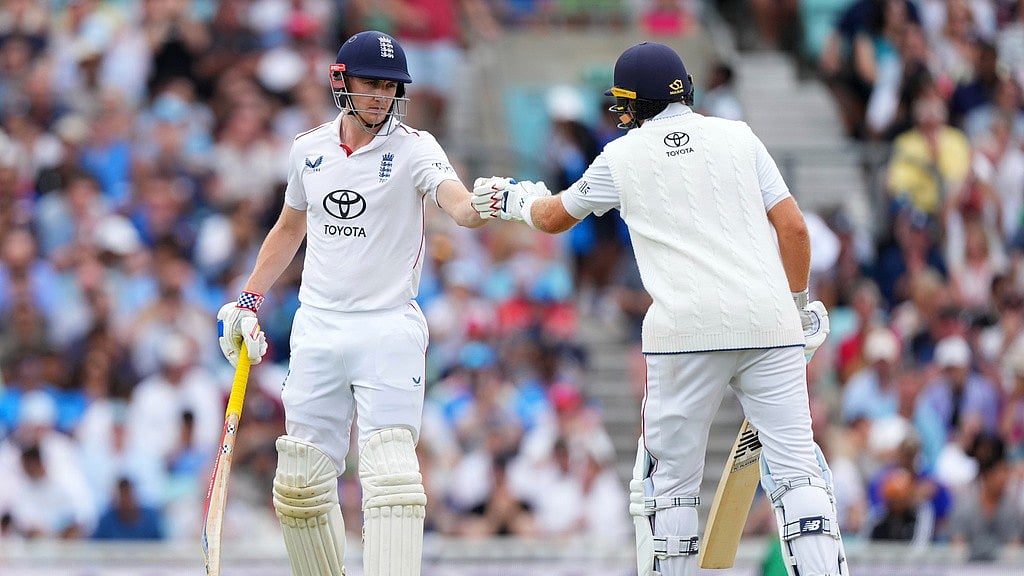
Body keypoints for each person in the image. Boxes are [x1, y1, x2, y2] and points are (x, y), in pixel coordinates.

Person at [471, 41, 849, 576]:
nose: (618, 113)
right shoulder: (739, 136)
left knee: (668, 488)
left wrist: (512, 200)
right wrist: (798, 306)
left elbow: (555, 217)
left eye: (623, 102)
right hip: (771, 324)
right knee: (800, 477)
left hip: (685, 331)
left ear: (638, 102)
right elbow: (793, 228)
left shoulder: (621, 156)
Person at [215, 30, 486, 576]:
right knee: (299, 483)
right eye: (371, 84)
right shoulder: (308, 149)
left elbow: (458, 207)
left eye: (390, 87)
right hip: (318, 326)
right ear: (341, 82)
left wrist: (484, 204)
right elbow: (290, 226)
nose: (381, 97)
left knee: (391, 479)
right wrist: (248, 298)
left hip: (388, 327)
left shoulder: (415, 148)